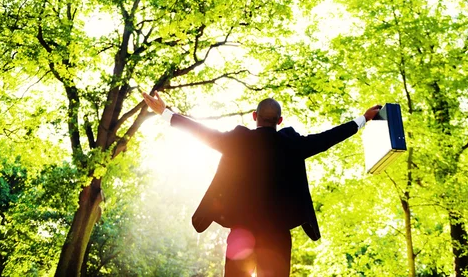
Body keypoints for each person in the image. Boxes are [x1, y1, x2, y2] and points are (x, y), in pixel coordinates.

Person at [142, 92, 381, 277]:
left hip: (241, 236)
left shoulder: (238, 140)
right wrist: (363, 119)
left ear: (255, 117)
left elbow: (203, 132)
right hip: (276, 237)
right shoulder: (292, 144)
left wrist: (165, 113)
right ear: (279, 120)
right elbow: (327, 138)